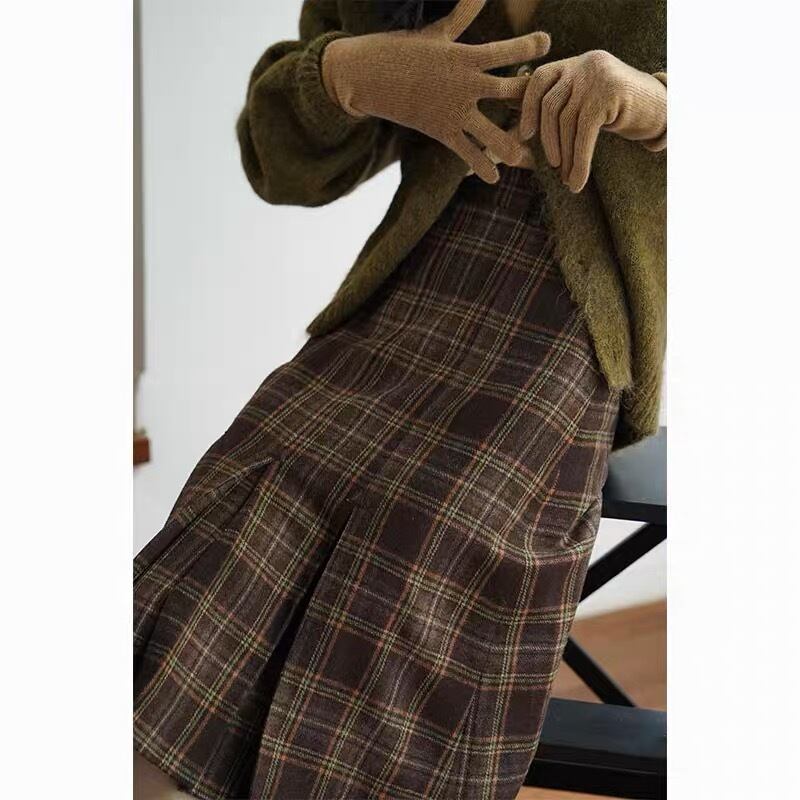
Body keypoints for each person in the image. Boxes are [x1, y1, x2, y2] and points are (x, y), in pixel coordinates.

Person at [133, 1, 666, 798]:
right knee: (246, 497)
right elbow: (277, 161)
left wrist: (655, 105)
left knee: (422, 544)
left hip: (568, 326)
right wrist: (346, 75)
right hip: (405, 296)